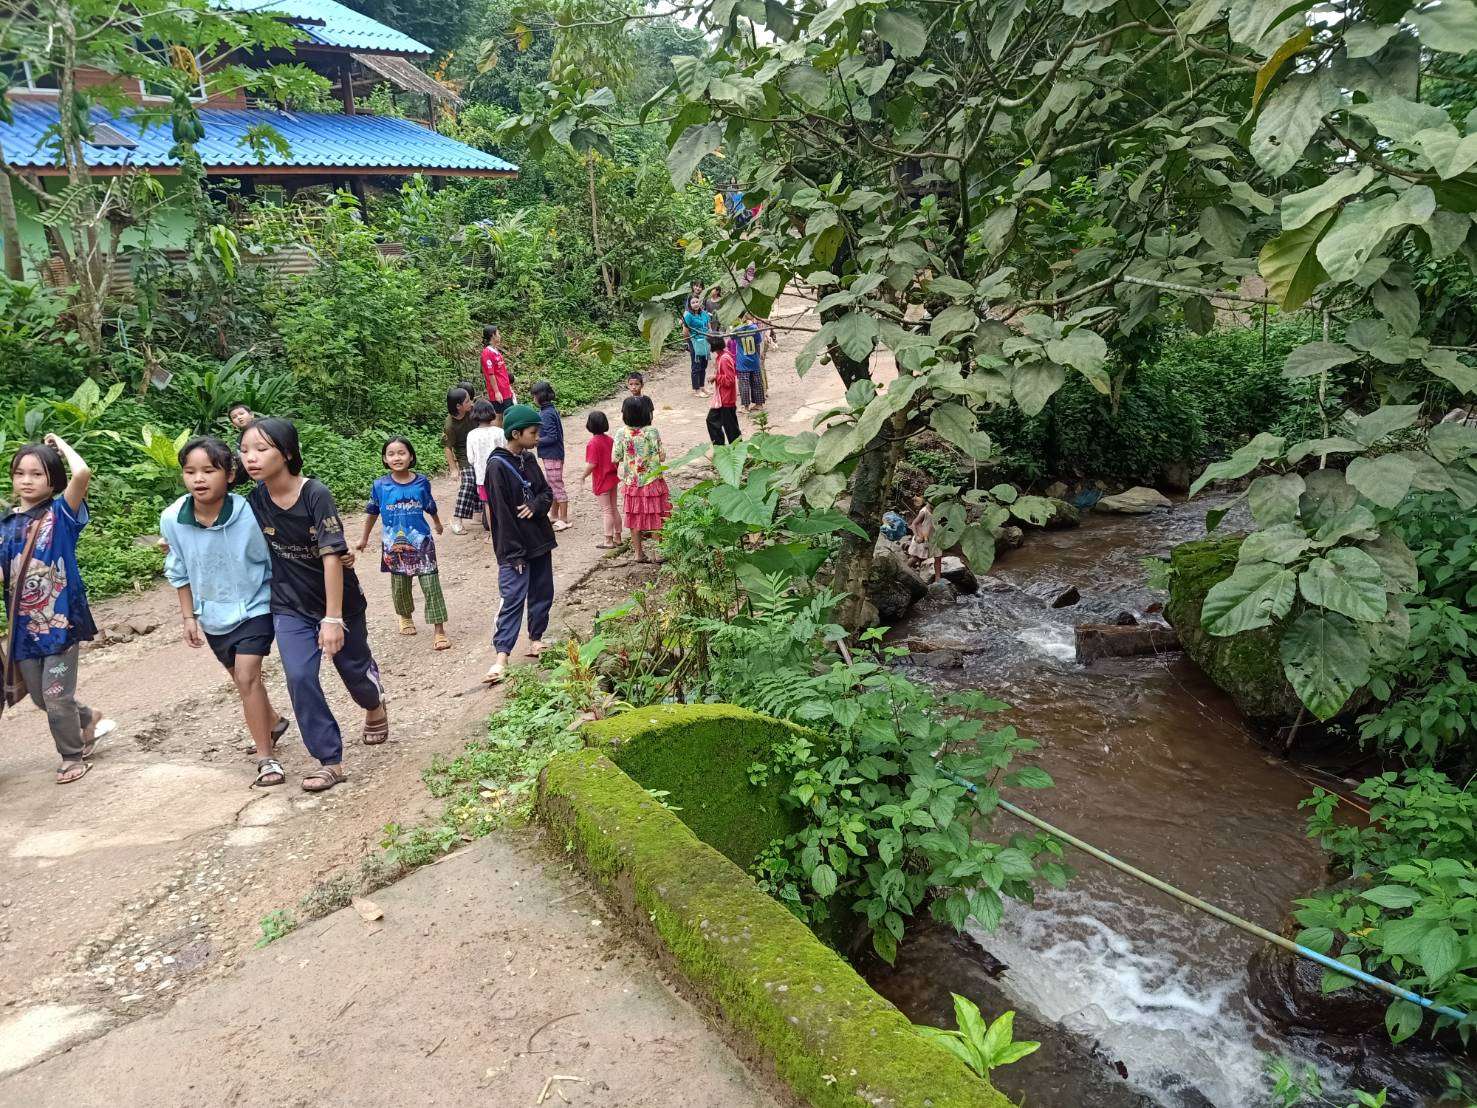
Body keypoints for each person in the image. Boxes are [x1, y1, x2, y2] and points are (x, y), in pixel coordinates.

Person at [240, 418, 388, 793]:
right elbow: (214, 513)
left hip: (339, 601)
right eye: (244, 451)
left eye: (261, 449)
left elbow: (332, 557)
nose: (251, 458)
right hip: (289, 605)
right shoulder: (253, 501)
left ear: (287, 453)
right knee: (300, 676)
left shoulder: (314, 494)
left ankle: (374, 704)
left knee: (354, 672)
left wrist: (334, 618)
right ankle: (329, 760)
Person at [161, 436, 292, 788]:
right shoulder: (173, 519)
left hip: (257, 605)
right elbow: (178, 569)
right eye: (190, 471)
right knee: (240, 677)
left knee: (247, 676)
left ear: (230, 475)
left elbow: (279, 548)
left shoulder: (251, 511)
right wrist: (189, 616)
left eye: (208, 470)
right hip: (212, 614)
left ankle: (267, 760)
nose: (198, 479)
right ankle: (275, 721)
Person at [0, 435, 114, 784]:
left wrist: (60, 445)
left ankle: (71, 755)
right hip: (22, 628)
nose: (27, 480)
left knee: (55, 695)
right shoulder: (5, 526)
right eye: (20, 473)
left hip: (61, 621)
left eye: (37, 473)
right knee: (39, 697)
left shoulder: (61, 513)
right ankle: (87, 718)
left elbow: (82, 473)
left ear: (53, 480)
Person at [482, 404, 557, 685]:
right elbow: (500, 513)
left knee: (542, 592)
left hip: (539, 540)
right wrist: (512, 552)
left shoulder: (529, 460)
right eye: (533, 432)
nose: (538, 437)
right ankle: (501, 656)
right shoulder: (497, 466)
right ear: (516, 433)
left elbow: (546, 493)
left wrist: (536, 505)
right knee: (512, 598)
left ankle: (536, 639)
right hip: (514, 548)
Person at [358, 437, 449, 651]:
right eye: (391, 454)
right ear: (384, 459)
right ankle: (405, 616)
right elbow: (372, 512)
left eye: (401, 452)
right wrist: (364, 538)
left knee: (431, 584)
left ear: (411, 456)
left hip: (422, 542)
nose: (397, 457)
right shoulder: (380, 485)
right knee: (400, 586)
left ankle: (439, 630)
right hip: (393, 544)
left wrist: (437, 523)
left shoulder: (421, 482)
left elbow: (430, 504)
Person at [612, 395, 672, 564]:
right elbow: (662, 456)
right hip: (653, 481)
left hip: (632, 482)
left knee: (634, 517)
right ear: (647, 414)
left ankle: (639, 553)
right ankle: (658, 553)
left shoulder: (620, 433)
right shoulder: (652, 432)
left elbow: (615, 458)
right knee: (656, 516)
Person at [530, 381, 570, 532]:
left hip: (552, 455)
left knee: (557, 485)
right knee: (551, 485)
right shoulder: (550, 410)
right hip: (553, 454)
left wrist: (537, 441)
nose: (533, 399)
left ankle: (564, 518)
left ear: (539, 396)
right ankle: (554, 514)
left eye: (534, 396)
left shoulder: (546, 414)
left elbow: (552, 437)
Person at [465, 399, 506, 537]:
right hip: (502, 475)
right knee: (504, 502)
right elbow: (507, 452)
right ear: (492, 413)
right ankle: (509, 530)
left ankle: (494, 534)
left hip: (483, 477)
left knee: (488, 504)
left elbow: (470, 459)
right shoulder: (500, 432)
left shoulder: (471, 435)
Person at [582, 410, 620, 549]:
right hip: (612, 477)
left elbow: (592, 464)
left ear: (589, 425)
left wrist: (583, 476)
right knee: (614, 508)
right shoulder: (610, 440)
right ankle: (618, 536)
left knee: (606, 510)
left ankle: (608, 540)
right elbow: (617, 458)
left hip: (601, 480)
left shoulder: (593, 443)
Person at [443, 386, 477, 536]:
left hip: (479, 450)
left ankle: (480, 513)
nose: (471, 402)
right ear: (458, 406)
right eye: (468, 401)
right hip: (464, 456)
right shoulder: (450, 425)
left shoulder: (473, 411)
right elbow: (447, 448)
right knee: (469, 481)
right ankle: (457, 518)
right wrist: (454, 468)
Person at [707, 336, 740, 446]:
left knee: (731, 430)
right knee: (713, 421)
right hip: (722, 399)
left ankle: (738, 452)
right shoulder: (721, 357)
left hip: (726, 400)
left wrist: (716, 378)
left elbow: (730, 380)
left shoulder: (724, 359)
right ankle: (721, 449)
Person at [733, 311, 767, 411]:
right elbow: (758, 341)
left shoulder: (738, 329)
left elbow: (731, 337)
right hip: (754, 360)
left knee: (744, 384)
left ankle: (745, 406)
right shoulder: (754, 328)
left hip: (743, 362)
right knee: (757, 383)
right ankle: (759, 404)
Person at [682, 295, 712, 399]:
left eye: (697, 302)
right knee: (696, 365)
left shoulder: (704, 314)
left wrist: (710, 335)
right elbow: (685, 332)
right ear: (689, 305)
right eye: (693, 302)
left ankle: (702, 386)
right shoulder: (688, 316)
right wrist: (690, 343)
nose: (695, 304)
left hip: (705, 341)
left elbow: (709, 326)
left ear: (700, 302)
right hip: (694, 341)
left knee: (704, 364)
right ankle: (697, 389)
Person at [907, 495, 942, 584]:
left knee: (938, 557)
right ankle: (905, 570)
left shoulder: (939, 511)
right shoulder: (924, 512)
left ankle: (938, 579)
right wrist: (918, 536)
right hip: (923, 537)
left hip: (934, 537)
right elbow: (914, 524)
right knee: (916, 557)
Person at [480, 325, 515, 412]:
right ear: (493, 335)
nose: (500, 336)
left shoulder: (495, 351)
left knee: (508, 414)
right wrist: (496, 392)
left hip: (505, 389)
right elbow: (491, 374)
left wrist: (509, 387)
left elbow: (502, 371)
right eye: (498, 333)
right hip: (499, 391)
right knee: (499, 416)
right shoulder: (487, 353)